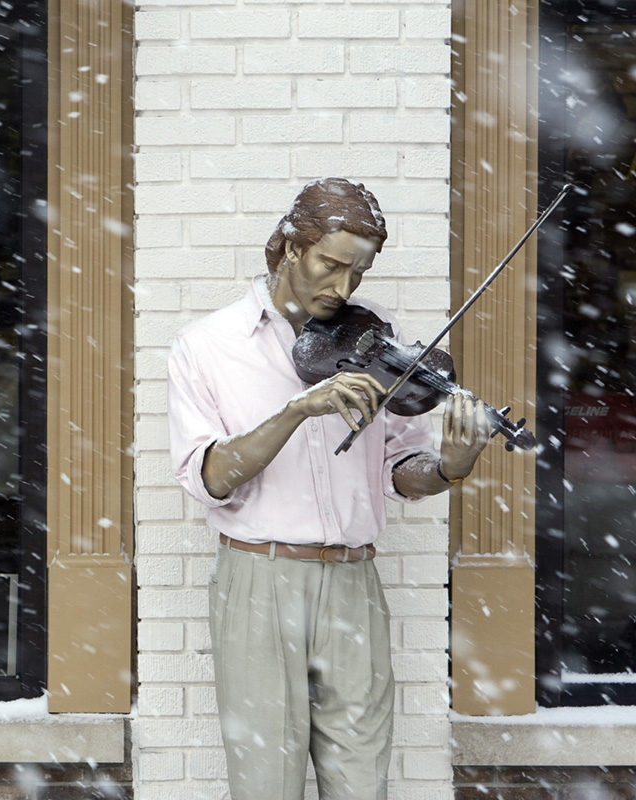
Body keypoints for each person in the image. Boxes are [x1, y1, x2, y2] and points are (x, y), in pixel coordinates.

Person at [167, 177, 491, 800]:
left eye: (358, 273)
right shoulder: (206, 346)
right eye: (331, 265)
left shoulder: (376, 342)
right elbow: (209, 478)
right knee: (266, 783)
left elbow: (401, 472)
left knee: (362, 778)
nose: (342, 289)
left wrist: (450, 466)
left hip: (353, 581)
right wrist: (296, 411)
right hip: (259, 579)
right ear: (291, 247)